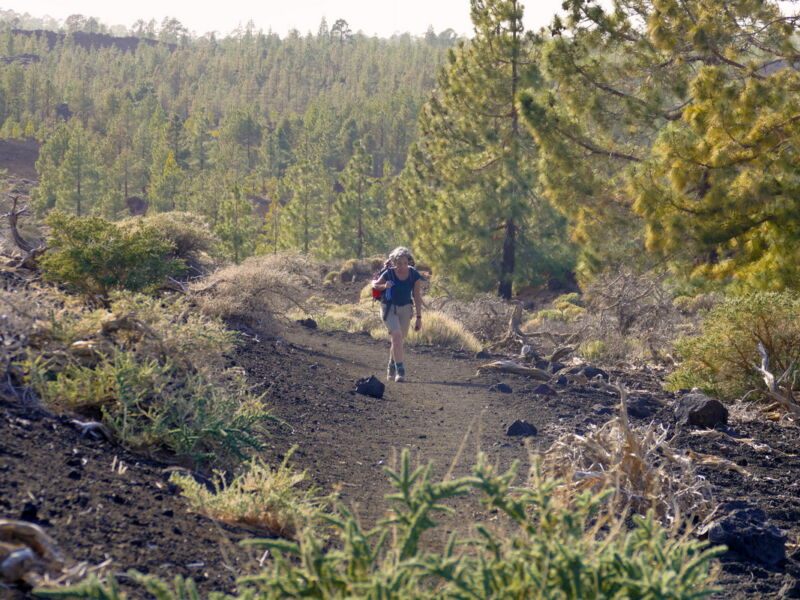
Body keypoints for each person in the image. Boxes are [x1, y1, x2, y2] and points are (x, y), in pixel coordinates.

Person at [372, 246, 424, 382]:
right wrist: (385, 286)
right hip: (389, 308)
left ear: (409, 262)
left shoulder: (414, 275)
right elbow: (375, 285)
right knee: (397, 335)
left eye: (405, 263)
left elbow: (417, 296)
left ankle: (391, 364)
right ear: (394, 262)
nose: (402, 266)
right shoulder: (388, 274)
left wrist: (419, 318)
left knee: (398, 340)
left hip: (406, 308)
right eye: (399, 263)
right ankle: (400, 371)